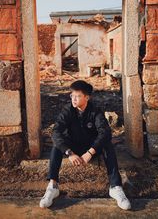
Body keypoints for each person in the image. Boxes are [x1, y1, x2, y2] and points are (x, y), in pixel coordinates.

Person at [39, 80, 131, 210]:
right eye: (72, 95)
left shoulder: (95, 111)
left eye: (77, 96)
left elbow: (105, 132)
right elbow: (56, 131)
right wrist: (69, 153)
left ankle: (116, 187)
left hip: (91, 147)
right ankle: (52, 187)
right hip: (74, 147)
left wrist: (90, 152)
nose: (73, 99)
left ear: (87, 97)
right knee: (57, 145)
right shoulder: (68, 110)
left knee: (107, 145)